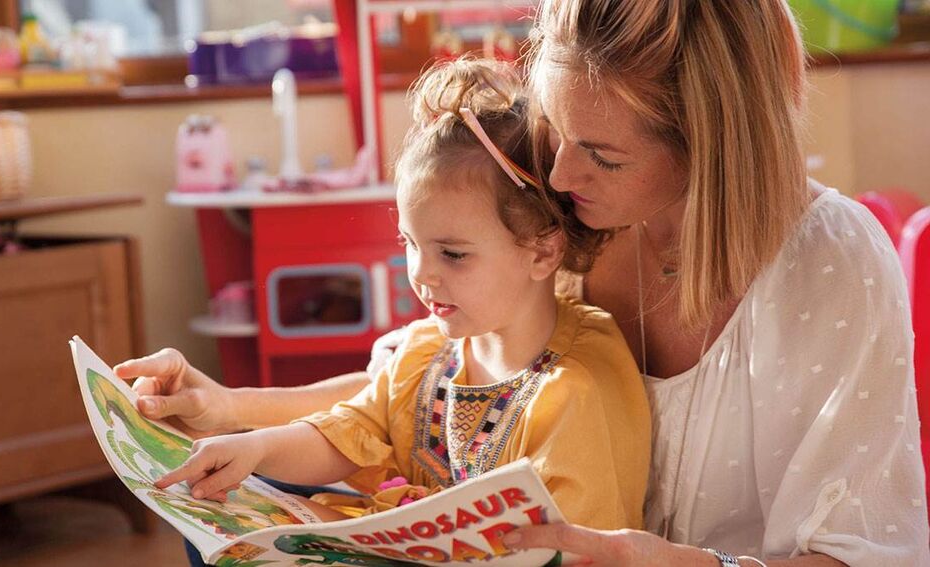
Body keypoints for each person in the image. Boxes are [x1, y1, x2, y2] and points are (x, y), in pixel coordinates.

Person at [117, 1, 930, 565]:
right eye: (557, 129)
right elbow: (414, 389)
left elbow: (866, 554)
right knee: (223, 520)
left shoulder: (830, 261)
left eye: (602, 155)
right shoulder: (560, 212)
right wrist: (228, 407)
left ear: (712, 147)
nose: (562, 173)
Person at [150, 58, 651, 533]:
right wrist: (253, 448)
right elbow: (349, 431)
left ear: (542, 251)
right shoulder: (427, 351)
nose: (421, 273)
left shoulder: (574, 391)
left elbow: (580, 545)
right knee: (217, 513)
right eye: (410, 243)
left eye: (452, 254)